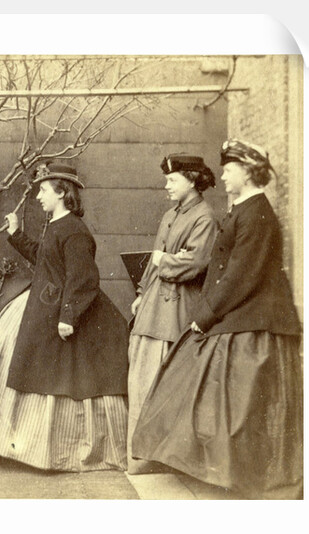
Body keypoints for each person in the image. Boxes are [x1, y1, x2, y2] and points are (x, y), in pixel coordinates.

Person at [132, 139, 303, 499]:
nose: (222, 176)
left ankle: (238, 475)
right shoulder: (245, 209)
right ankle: (214, 468)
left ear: (247, 171)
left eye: (228, 170)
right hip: (240, 314)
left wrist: (205, 316)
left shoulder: (257, 213)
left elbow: (242, 275)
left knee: (236, 402)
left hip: (256, 322)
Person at [0, 162, 129, 472]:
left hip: (65, 314)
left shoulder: (75, 231)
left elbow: (82, 279)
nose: (38, 196)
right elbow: (46, 260)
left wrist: (68, 317)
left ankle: (53, 450)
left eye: (43, 189)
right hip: (44, 308)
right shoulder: (57, 224)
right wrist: (16, 235)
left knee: (65, 378)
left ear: (62, 192)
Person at [126, 154, 218, 474]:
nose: (166, 185)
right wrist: (140, 294)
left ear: (192, 181)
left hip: (177, 310)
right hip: (153, 308)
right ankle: (142, 456)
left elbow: (195, 262)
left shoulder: (204, 217)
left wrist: (162, 261)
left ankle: (162, 459)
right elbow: (157, 259)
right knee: (141, 379)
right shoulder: (170, 215)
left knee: (164, 384)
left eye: (172, 180)